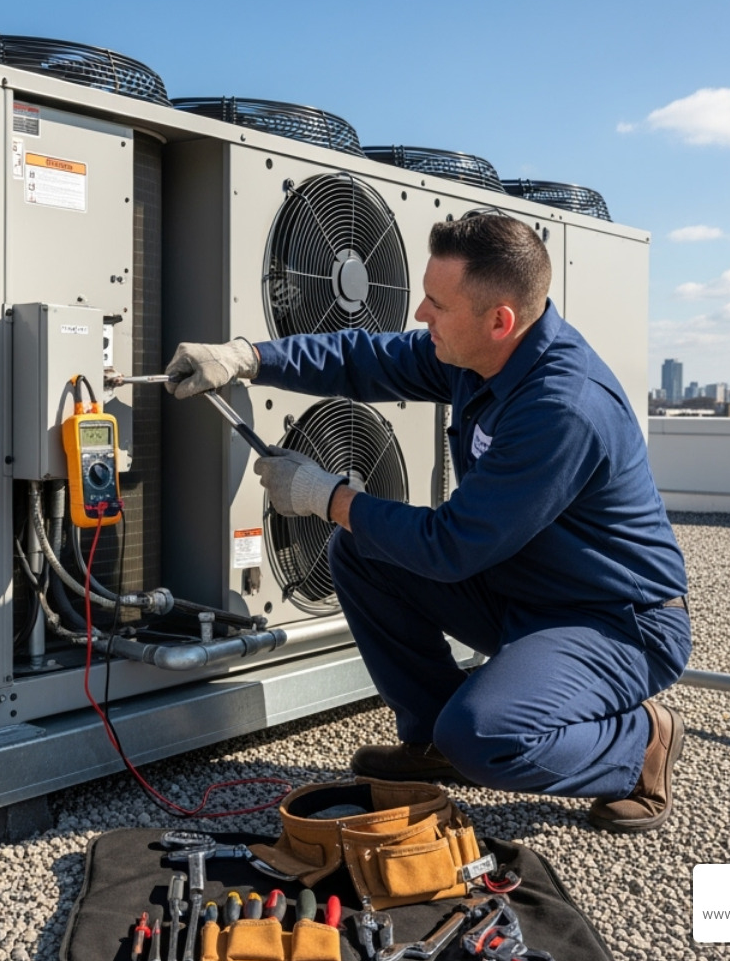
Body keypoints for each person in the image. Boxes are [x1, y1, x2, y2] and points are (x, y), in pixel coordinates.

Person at [164, 213, 692, 833]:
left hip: (613, 620)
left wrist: (325, 494)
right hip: (524, 589)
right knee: (363, 551)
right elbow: (362, 358)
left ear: (500, 320)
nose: (419, 313)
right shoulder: (480, 357)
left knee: (487, 736)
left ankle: (638, 745)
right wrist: (246, 357)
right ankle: (431, 742)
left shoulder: (562, 408)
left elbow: (451, 548)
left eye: (437, 304)